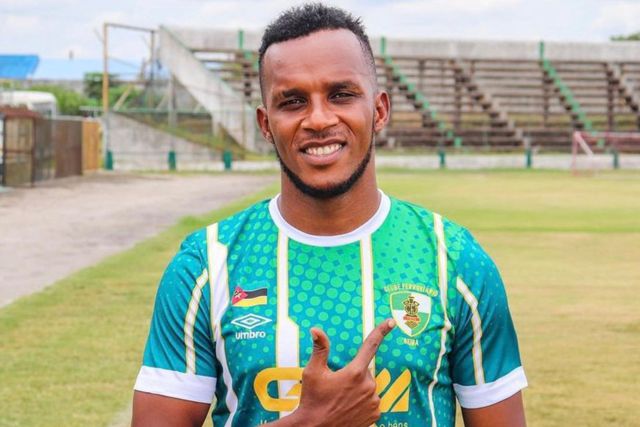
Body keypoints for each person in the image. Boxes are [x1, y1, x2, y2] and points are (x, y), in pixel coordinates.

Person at [131, 3, 528, 426]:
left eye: (341, 95)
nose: (319, 119)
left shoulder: (456, 260)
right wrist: (310, 422)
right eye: (293, 101)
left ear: (379, 110)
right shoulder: (205, 266)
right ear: (266, 124)